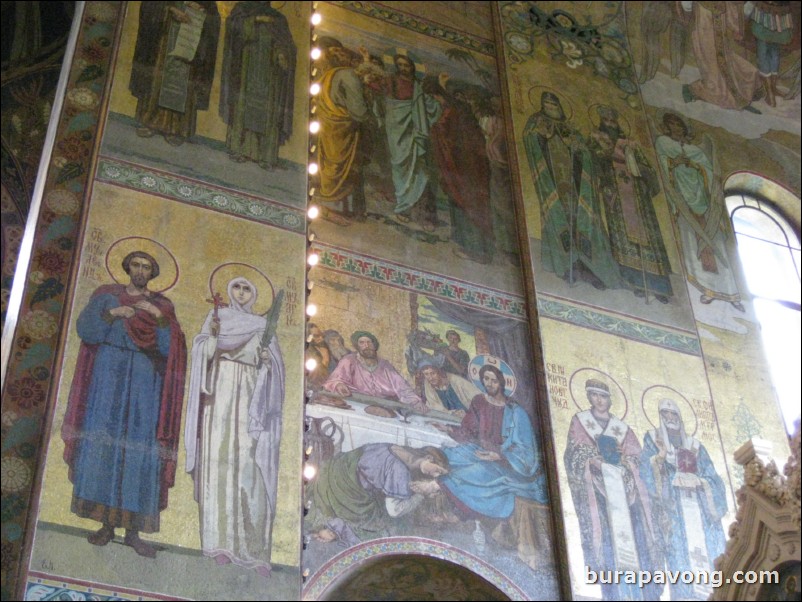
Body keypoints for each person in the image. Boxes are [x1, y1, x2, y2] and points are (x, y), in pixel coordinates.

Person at [61, 251, 187, 558]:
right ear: (127, 267)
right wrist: (113, 314)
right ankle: (106, 526)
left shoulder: (162, 306)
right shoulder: (106, 297)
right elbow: (87, 331)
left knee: (138, 449)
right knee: (103, 444)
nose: (140, 270)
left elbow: (173, 348)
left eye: (146, 266)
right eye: (136, 265)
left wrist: (157, 318)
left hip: (145, 380)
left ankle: (133, 531)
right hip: (107, 374)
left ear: (152, 272)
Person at [185, 276, 284, 577]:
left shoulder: (263, 326)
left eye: (247, 289)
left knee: (250, 470)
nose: (241, 293)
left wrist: (268, 360)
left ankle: (255, 552)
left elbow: (276, 366)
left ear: (253, 294)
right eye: (237, 288)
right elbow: (202, 350)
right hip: (220, 395)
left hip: (252, 398)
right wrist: (212, 340)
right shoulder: (217, 317)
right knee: (219, 465)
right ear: (229, 292)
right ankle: (220, 545)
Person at [563, 379, 662, 601]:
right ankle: (613, 594)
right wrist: (593, 459)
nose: (599, 400)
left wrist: (625, 460)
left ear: (610, 399)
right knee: (607, 542)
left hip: (628, 496)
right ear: (589, 398)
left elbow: (638, 458)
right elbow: (573, 454)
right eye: (594, 395)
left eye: (603, 396)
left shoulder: (622, 428)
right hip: (598, 495)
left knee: (637, 540)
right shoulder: (580, 421)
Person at [522, 92, 621, 290]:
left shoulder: (570, 128)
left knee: (582, 222)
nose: (551, 108)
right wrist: (543, 136)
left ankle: (588, 266)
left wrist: (576, 147)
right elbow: (529, 139)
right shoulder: (536, 121)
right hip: (553, 183)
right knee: (559, 220)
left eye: (554, 104)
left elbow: (584, 152)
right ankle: (569, 266)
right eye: (547, 105)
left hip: (576, 187)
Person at [434, 364, 549, 521]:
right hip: (477, 451)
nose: (489, 383)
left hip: (504, 463)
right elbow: (468, 431)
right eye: (486, 379)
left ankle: (458, 511)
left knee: (469, 472)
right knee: (446, 456)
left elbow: (526, 452)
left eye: (494, 380)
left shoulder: (516, 412)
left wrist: (499, 456)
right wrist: (448, 429)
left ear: (501, 382)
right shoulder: (479, 401)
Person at [655, 112, 744, 311]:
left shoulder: (697, 151)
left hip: (703, 200)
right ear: (666, 128)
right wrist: (673, 164)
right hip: (682, 201)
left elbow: (710, 173)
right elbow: (661, 164)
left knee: (716, 239)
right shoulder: (663, 143)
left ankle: (730, 293)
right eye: (671, 124)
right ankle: (705, 288)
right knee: (689, 238)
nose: (675, 128)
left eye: (678, 124)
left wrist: (693, 165)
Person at [641, 399, 727, 600]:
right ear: (660, 418)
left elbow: (713, 478)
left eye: (674, 415)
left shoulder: (696, 447)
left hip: (701, 515)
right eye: (665, 415)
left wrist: (700, 482)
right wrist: (660, 458)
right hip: (675, 518)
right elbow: (646, 474)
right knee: (680, 563)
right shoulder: (653, 441)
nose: (670, 419)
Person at [588, 105, 673, 303]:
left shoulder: (631, 144)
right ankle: (634, 283)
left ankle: (658, 287)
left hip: (637, 195)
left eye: (613, 120)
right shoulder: (596, 139)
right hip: (615, 192)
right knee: (623, 238)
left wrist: (634, 163)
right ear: (601, 122)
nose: (610, 123)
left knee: (649, 240)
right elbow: (592, 161)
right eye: (606, 120)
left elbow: (648, 168)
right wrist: (608, 157)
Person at [307, 443, 449, 544]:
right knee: (384, 531)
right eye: (438, 470)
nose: (435, 475)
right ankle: (334, 528)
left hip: (336, 468)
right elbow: (394, 510)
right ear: (429, 459)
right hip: (346, 492)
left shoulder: (400, 449)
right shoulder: (400, 471)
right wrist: (421, 495)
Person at [129, 2, 220, 146]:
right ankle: (150, 121)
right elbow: (149, 5)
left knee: (183, 82)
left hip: (190, 41)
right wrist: (170, 10)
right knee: (159, 77)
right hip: (164, 38)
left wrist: (202, 11)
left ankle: (177, 128)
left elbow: (214, 18)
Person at [219, 1, 296, 169]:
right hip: (246, 68)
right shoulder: (242, 10)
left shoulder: (278, 18)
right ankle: (239, 149)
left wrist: (282, 54)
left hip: (269, 75)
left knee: (267, 112)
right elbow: (233, 31)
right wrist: (254, 20)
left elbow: (287, 44)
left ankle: (265, 156)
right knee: (244, 106)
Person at [427, 77, 494, 263]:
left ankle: (476, 250)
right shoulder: (463, 112)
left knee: (466, 202)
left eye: (435, 98)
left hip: (464, 168)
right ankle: (466, 242)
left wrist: (434, 129)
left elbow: (445, 135)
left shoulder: (453, 112)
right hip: (470, 167)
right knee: (464, 202)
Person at [379, 53, 443, 231]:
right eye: (399, 65)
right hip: (397, 131)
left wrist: (440, 96)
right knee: (401, 169)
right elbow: (381, 94)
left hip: (415, 134)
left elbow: (430, 105)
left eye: (406, 65)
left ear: (413, 67)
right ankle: (403, 208)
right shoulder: (390, 81)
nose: (403, 68)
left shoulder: (418, 87)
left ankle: (422, 216)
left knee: (422, 173)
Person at [315, 41, 373, 225]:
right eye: (340, 52)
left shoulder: (324, 77)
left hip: (327, 126)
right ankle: (337, 210)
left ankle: (326, 206)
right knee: (344, 167)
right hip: (345, 128)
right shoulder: (347, 75)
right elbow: (358, 111)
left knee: (328, 164)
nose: (344, 54)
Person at [680, 1, 761, 113]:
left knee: (721, 55)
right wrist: (687, 9)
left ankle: (736, 90)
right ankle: (720, 91)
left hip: (720, 15)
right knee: (709, 55)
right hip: (705, 17)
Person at [323, 330, 427, 412]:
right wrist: (339, 385)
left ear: (375, 345)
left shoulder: (385, 366)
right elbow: (334, 380)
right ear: (357, 346)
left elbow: (402, 387)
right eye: (362, 343)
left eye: (369, 342)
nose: (366, 346)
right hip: (356, 407)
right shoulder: (349, 361)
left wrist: (415, 401)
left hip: (385, 409)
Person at [744, 1, 794, 107]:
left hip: (766, 11)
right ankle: (772, 90)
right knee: (773, 51)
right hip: (779, 12)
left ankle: (770, 92)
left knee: (764, 52)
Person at [306, 323, 334, 389]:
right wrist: (324, 360)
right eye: (316, 336)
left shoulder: (322, 348)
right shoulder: (305, 352)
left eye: (321, 336)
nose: (321, 338)